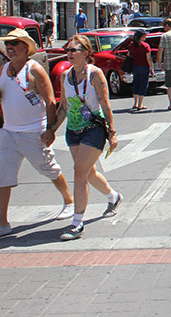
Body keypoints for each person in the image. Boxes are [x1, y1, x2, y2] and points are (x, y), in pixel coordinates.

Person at [0, 29, 74, 238]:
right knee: (2, 177)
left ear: (26, 47)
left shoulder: (35, 70)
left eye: (15, 43)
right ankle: (3, 223)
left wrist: (50, 130)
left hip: (34, 132)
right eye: (8, 44)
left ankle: (68, 201)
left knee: (49, 169)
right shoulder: (3, 69)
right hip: (8, 133)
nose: (10, 48)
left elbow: (51, 101)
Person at [53, 34, 121, 241]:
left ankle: (77, 223)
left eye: (74, 50)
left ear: (86, 53)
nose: (69, 53)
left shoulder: (95, 74)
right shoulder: (65, 76)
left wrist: (112, 132)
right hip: (73, 130)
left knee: (79, 172)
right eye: (68, 50)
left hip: (94, 128)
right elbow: (64, 106)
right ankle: (113, 196)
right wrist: (51, 130)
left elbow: (106, 103)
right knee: (88, 172)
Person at [128, 30, 154, 111]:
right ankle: (140, 104)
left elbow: (129, 55)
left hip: (135, 67)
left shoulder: (131, 45)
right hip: (144, 67)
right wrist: (152, 69)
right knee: (143, 85)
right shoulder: (145, 46)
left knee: (136, 84)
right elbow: (149, 59)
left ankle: (135, 103)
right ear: (141, 37)